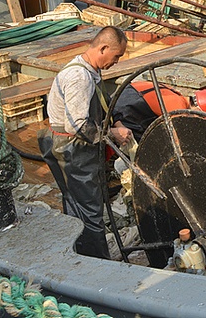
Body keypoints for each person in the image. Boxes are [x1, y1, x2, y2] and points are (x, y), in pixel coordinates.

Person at [39, 26, 130, 260]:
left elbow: (103, 102)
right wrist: (111, 134)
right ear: (103, 48)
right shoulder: (79, 77)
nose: (116, 62)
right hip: (71, 149)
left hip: (77, 147)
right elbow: (77, 125)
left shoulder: (91, 71)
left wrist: (117, 122)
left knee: (78, 203)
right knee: (89, 210)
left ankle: (78, 252)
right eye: (116, 56)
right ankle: (97, 265)